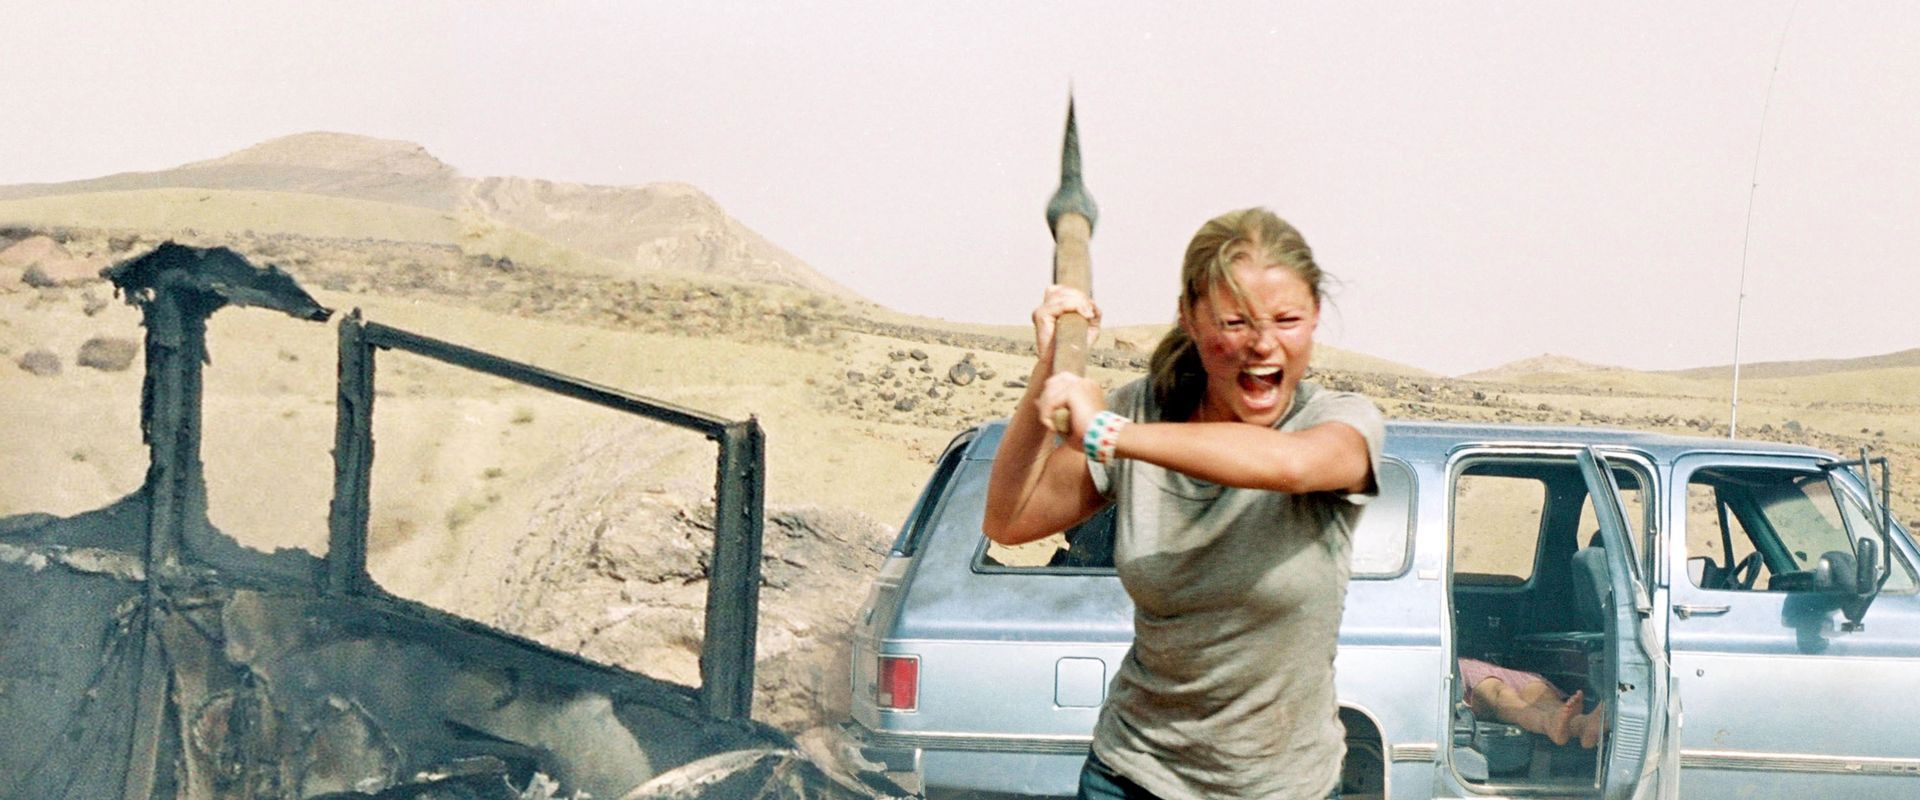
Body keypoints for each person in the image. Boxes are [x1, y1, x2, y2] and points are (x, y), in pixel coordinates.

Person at [982, 208, 1385, 800]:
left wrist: (1109, 433)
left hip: (1277, 788)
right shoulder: (1144, 410)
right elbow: (1009, 519)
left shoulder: (1337, 422)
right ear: (1188, 319)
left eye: (1287, 320)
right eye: (1234, 322)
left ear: (1316, 317)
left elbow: (1292, 465)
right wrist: (1050, 369)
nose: (1263, 344)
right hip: (1131, 774)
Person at [1460, 658, 1608, 749]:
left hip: (1492, 668)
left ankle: (1582, 725)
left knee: (1539, 693)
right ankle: (1547, 722)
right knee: (1500, 693)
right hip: (1462, 667)